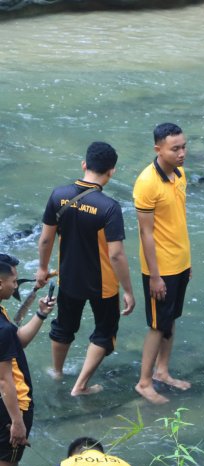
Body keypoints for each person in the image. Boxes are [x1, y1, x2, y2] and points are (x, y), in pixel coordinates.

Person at [36, 141, 135, 397]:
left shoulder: (59, 195)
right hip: (102, 284)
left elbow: (46, 239)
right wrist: (128, 290)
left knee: (64, 326)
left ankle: (57, 372)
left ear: (84, 165)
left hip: (68, 277)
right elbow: (116, 254)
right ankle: (80, 386)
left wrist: (42, 268)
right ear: (111, 171)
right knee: (105, 331)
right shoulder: (109, 208)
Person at [132, 123, 192, 405]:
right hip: (160, 268)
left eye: (183, 147)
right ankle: (144, 382)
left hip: (179, 262)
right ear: (158, 149)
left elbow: (179, 220)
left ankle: (162, 371)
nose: (182, 153)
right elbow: (146, 232)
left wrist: (187, 261)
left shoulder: (179, 173)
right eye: (175, 148)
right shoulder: (147, 182)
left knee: (171, 320)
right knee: (157, 325)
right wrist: (155, 276)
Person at [0, 253, 54, 466]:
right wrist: (17, 421)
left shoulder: (2, 317)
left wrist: (41, 314)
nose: (15, 286)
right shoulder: (1, 326)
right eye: (12, 280)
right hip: (11, 406)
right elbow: (4, 380)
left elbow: (16, 342)